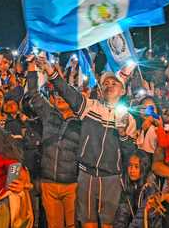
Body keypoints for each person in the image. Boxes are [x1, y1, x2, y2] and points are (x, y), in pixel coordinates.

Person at [37, 56, 136, 228]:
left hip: (111, 176)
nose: (109, 85)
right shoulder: (90, 107)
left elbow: (130, 152)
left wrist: (122, 133)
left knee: (107, 224)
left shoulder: (128, 118)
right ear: (100, 90)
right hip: (86, 174)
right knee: (87, 222)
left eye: (115, 83)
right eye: (106, 83)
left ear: (123, 91)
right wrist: (50, 71)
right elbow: (66, 91)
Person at [26, 58, 81, 228]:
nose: (60, 97)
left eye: (64, 94)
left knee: (72, 225)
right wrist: (31, 67)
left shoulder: (82, 122)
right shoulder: (49, 115)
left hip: (72, 185)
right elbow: (33, 95)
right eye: (56, 94)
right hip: (48, 183)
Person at [113, 151, 161, 228]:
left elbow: (141, 217)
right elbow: (122, 212)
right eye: (130, 166)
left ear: (144, 167)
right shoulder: (127, 183)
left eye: (136, 166)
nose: (132, 170)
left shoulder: (150, 186)